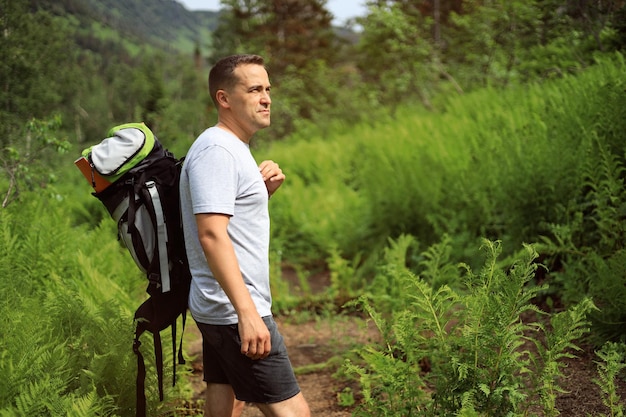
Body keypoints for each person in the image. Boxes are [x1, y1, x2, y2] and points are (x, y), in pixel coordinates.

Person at [179, 54, 311, 417]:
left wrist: (260, 191)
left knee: (226, 403)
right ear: (224, 99)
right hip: (232, 309)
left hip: (222, 307)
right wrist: (247, 313)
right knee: (295, 413)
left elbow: (224, 223)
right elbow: (210, 235)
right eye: (254, 89)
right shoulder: (217, 151)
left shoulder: (233, 149)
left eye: (267, 89)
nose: (266, 98)